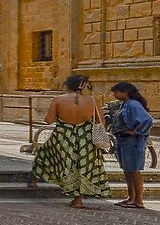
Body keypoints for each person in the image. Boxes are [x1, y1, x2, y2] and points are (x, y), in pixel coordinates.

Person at [35, 73, 109, 206]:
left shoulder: (58, 99)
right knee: (82, 166)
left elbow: (49, 120)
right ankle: (78, 199)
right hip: (85, 138)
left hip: (63, 136)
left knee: (51, 157)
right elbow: (100, 120)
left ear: (67, 85)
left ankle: (35, 179)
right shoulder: (92, 100)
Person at [107, 81, 154, 210]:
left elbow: (147, 120)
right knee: (127, 170)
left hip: (132, 141)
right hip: (123, 140)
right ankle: (131, 197)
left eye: (116, 92)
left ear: (125, 92)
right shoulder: (124, 105)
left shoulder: (133, 105)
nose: (114, 95)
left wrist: (136, 131)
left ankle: (138, 200)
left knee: (134, 170)